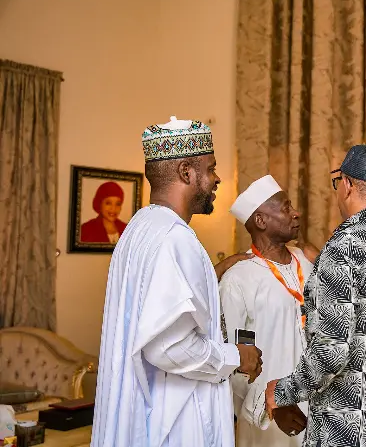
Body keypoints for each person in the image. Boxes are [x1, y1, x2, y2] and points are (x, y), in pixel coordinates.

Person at [91, 116, 263, 447]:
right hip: (176, 421)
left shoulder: (141, 227)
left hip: (153, 410)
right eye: (211, 169)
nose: (217, 178)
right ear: (186, 172)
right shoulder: (174, 238)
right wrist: (236, 356)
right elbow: (168, 346)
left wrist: (214, 271)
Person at [264, 145, 366, 447]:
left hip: (354, 429)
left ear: (348, 185)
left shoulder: (343, 247)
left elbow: (331, 352)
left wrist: (282, 391)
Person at [221, 174, 313, 447]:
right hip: (272, 419)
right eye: (286, 208)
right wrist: (269, 406)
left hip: (319, 406)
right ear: (261, 221)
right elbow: (236, 359)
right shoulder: (239, 279)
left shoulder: (308, 263)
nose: (296, 213)